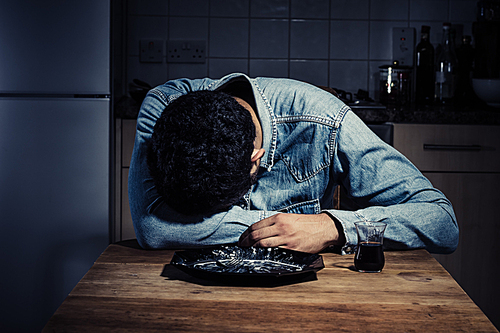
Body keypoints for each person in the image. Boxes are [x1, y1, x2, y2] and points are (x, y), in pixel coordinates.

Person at [128, 73, 459, 255]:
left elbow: (441, 222)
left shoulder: (325, 119)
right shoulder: (162, 108)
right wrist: (277, 229)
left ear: (254, 160)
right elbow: (154, 229)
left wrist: (333, 227)